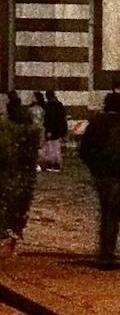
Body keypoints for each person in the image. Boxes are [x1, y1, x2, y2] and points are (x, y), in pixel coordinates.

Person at [79, 90, 120, 270]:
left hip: (104, 177)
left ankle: (106, 254)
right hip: (116, 174)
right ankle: (107, 255)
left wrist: (97, 170)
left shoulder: (97, 122)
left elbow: (84, 150)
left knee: (108, 216)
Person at [41, 90, 67, 172]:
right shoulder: (59, 105)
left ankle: (53, 164)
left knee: (51, 148)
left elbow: (50, 120)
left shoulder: (49, 106)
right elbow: (62, 119)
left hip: (52, 130)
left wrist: (49, 130)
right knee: (56, 148)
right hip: (58, 130)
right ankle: (56, 164)